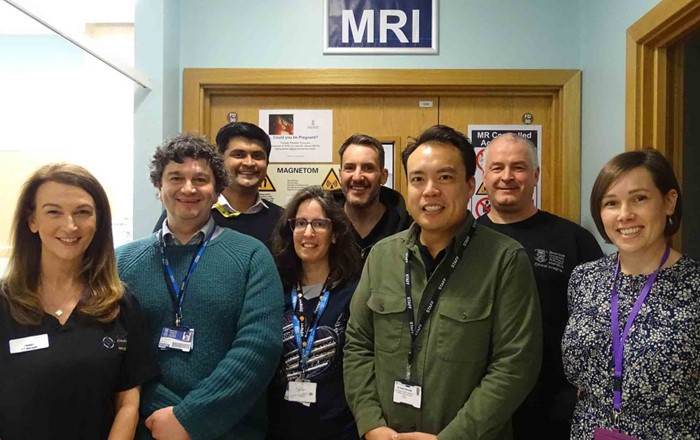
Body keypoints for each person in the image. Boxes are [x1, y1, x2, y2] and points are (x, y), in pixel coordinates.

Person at [344, 125, 542, 439]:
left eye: (445, 177)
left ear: (469, 185)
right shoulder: (382, 257)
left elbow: (515, 365)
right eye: (418, 179)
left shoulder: (505, 260)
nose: (430, 190)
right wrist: (370, 423)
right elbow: (358, 345)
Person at [117, 133, 284, 440]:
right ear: (158, 187)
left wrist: (190, 418)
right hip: (151, 428)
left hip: (232, 430)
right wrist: (164, 416)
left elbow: (259, 347)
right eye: (175, 177)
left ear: (218, 188)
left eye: (200, 179)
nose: (189, 188)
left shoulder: (252, 255)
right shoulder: (122, 262)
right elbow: (117, 355)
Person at [0, 163, 159, 440]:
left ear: (98, 221)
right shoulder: (5, 302)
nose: (70, 225)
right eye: (53, 212)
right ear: (32, 220)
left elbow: (128, 403)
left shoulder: (119, 303)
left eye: (83, 212)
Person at [563, 149, 700, 439]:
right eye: (611, 203)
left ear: (669, 201)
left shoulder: (694, 284)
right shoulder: (584, 279)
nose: (625, 215)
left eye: (639, 198)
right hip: (590, 431)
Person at [479, 133, 603, 438]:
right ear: (484, 176)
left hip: (554, 409)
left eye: (519, 167)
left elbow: (602, 320)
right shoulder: (463, 240)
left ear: (535, 175)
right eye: (497, 168)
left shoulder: (573, 240)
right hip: (478, 404)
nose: (507, 176)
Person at [267, 185, 362, 440]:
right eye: (300, 223)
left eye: (319, 224)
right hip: (281, 427)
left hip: (340, 429)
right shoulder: (276, 288)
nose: (308, 233)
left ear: (334, 234)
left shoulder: (355, 291)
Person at [153, 121, 283, 246]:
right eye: (239, 155)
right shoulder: (191, 210)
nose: (249, 163)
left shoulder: (282, 219)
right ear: (220, 161)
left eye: (257, 156)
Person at [333, 133, 411, 259]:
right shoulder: (322, 227)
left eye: (368, 168)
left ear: (383, 176)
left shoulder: (408, 232)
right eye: (349, 168)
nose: (357, 177)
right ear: (340, 176)